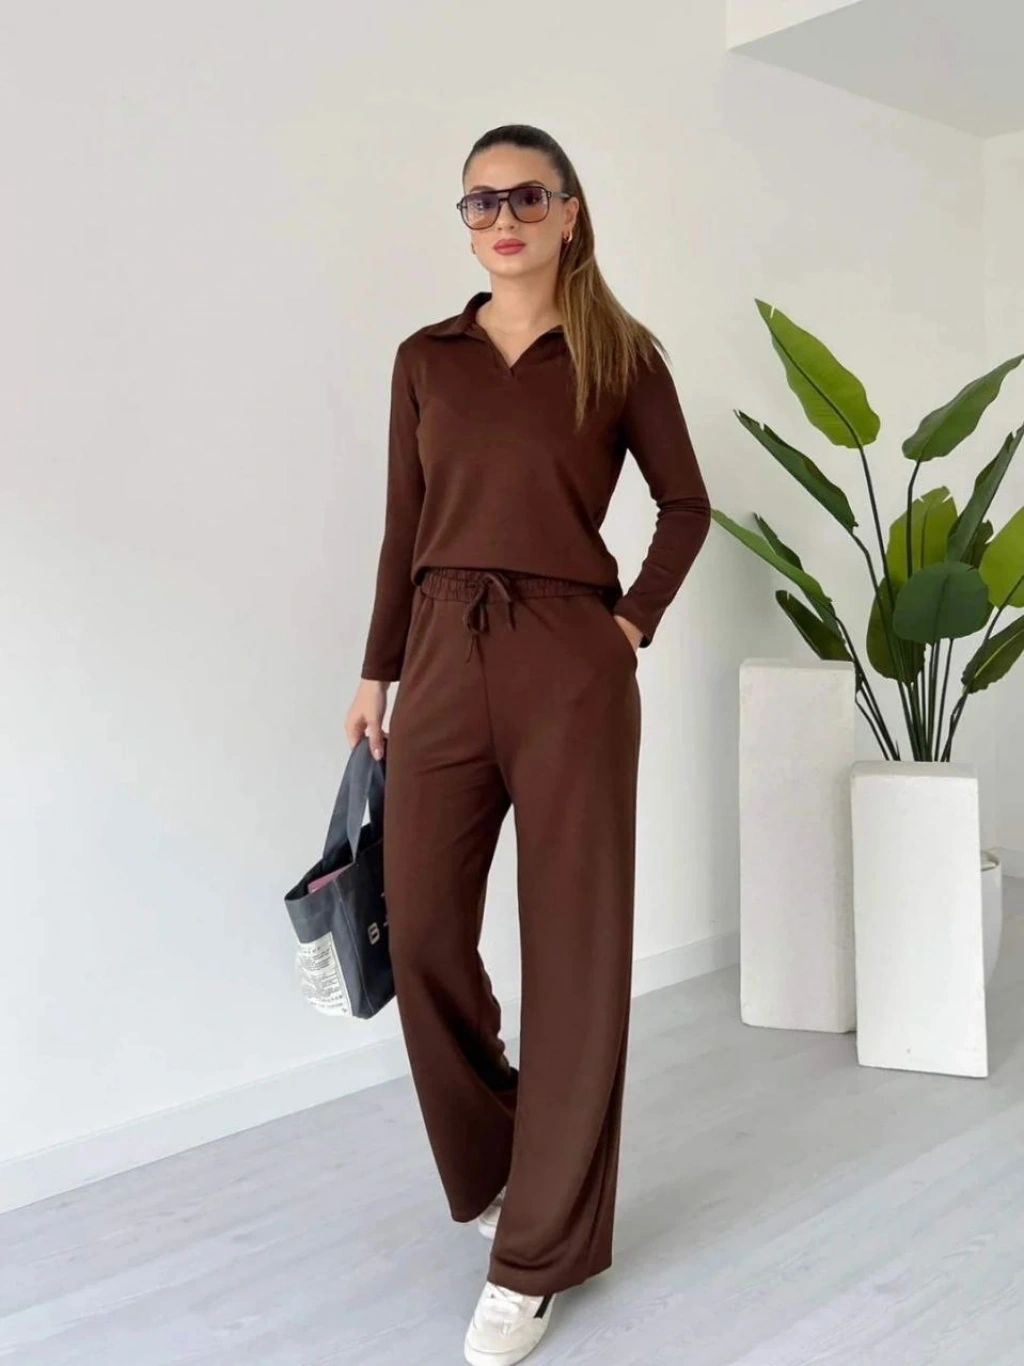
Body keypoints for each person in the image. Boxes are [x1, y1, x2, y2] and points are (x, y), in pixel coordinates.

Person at [345, 123, 711, 1366]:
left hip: (569, 658)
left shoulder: (619, 353)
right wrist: (376, 670)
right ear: (465, 222)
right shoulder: (426, 358)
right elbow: (402, 526)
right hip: (443, 647)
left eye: (526, 197)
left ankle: (536, 1258)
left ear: (569, 212)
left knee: (574, 951)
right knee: (421, 931)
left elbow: (684, 503)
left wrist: (626, 627)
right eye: (480, 201)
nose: (501, 218)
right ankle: (506, 1166)